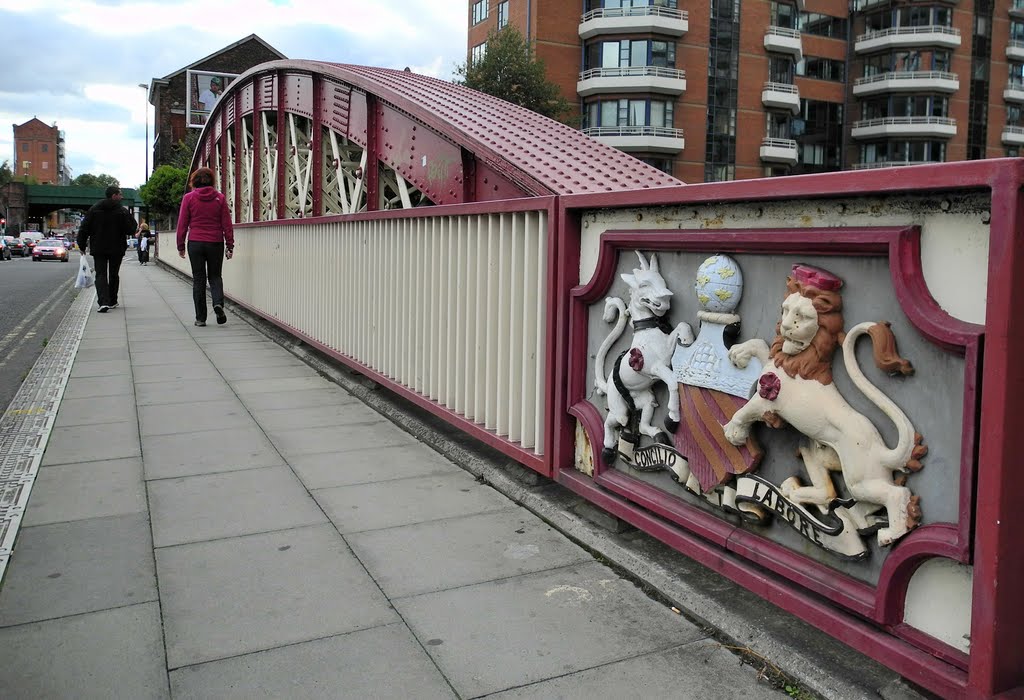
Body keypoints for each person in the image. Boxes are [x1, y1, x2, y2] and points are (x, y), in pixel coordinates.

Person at [176, 167, 234, 327]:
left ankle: (200, 318)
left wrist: (180, 244)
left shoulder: (188, 198)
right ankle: (217, 304)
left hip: (195, 242)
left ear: (194, 181)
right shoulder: (220, 198)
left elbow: (182, 223)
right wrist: (230, 244)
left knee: (199, 279)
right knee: (215, 276)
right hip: (215, 242)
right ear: (212, 181)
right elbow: (226, 224)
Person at [77, 185, 136, 313]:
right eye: (120, 194)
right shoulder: (122, 211)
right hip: (117, 248)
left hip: (99, 247)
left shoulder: (94, 209)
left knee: (101, 274)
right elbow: (131, 229)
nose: (122, 197)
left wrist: (81, 245)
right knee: (114, 274)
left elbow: (84, 228)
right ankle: (112, 300)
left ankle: (103, 302)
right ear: (113, 195)